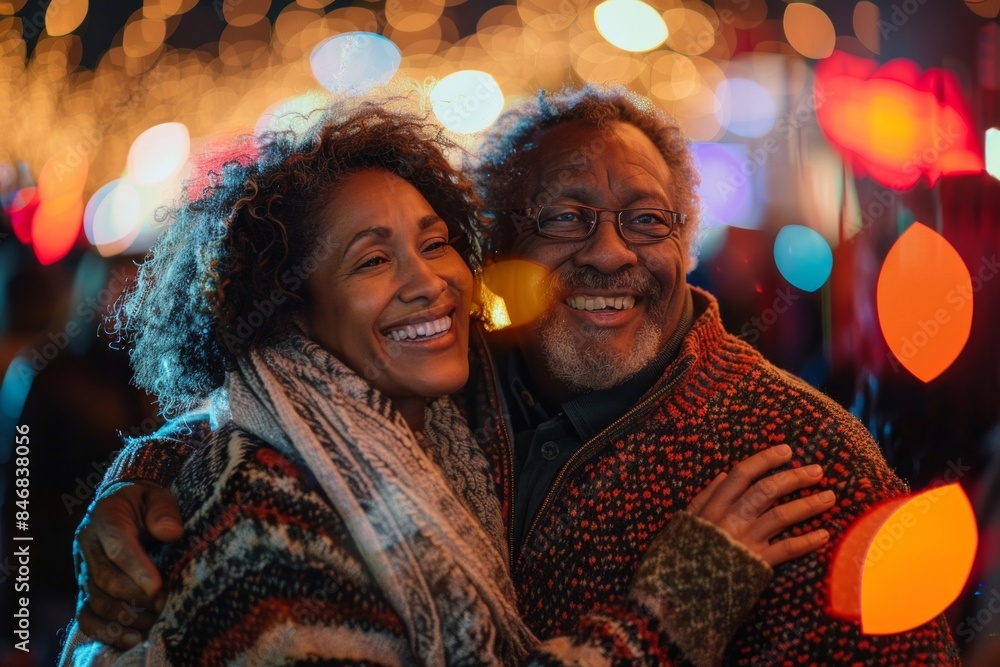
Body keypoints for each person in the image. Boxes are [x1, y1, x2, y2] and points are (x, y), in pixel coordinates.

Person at [72, 84, 960, 664]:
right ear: (494, 248)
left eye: (646, 220)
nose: (609, 252)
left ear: (686, 242)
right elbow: (284, 413)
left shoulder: (798, 455)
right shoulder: (450, 378)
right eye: (565, 217)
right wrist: (145, 483)